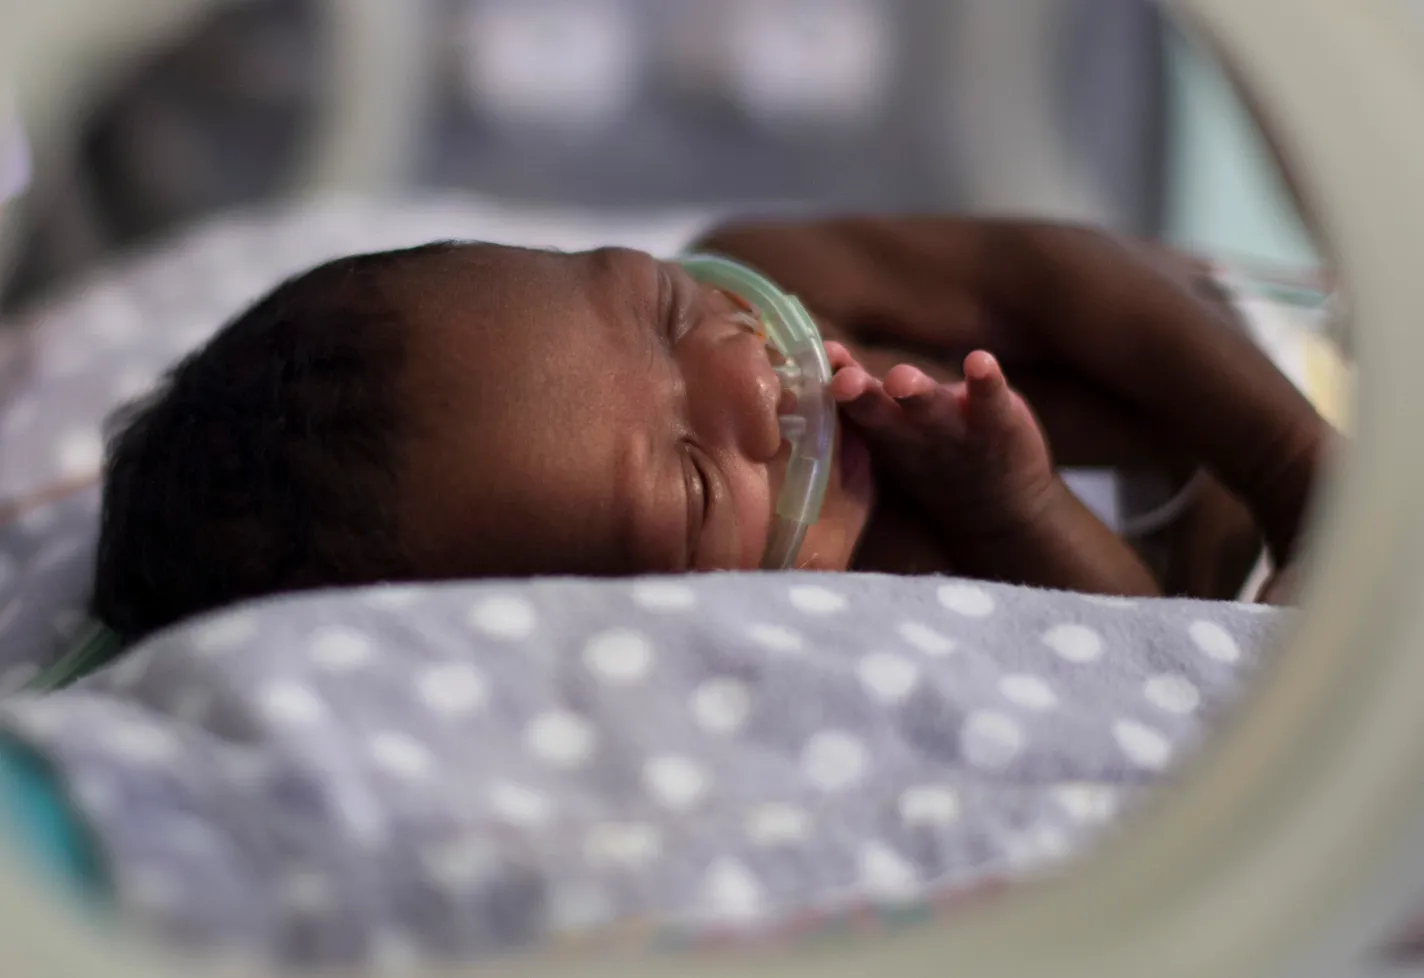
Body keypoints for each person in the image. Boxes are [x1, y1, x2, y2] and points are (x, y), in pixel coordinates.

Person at [90, 217, 1333, 642]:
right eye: (691, 486)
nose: (747, 382)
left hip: (1250, 363)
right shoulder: (853, 604)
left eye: (662, 307)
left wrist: (1296, 465)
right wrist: (1014, 506)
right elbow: (1131, 625)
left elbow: (1050, 271)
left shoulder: (778, 264)